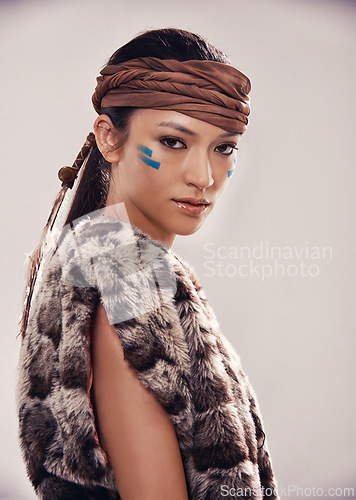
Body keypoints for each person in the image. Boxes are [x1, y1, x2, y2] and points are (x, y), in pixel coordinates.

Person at [17, 28, 279, 500]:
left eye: (224, 147)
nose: (204, 177)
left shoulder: (97, 257)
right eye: (174, 142)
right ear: (109, 138)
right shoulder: (124, 277)